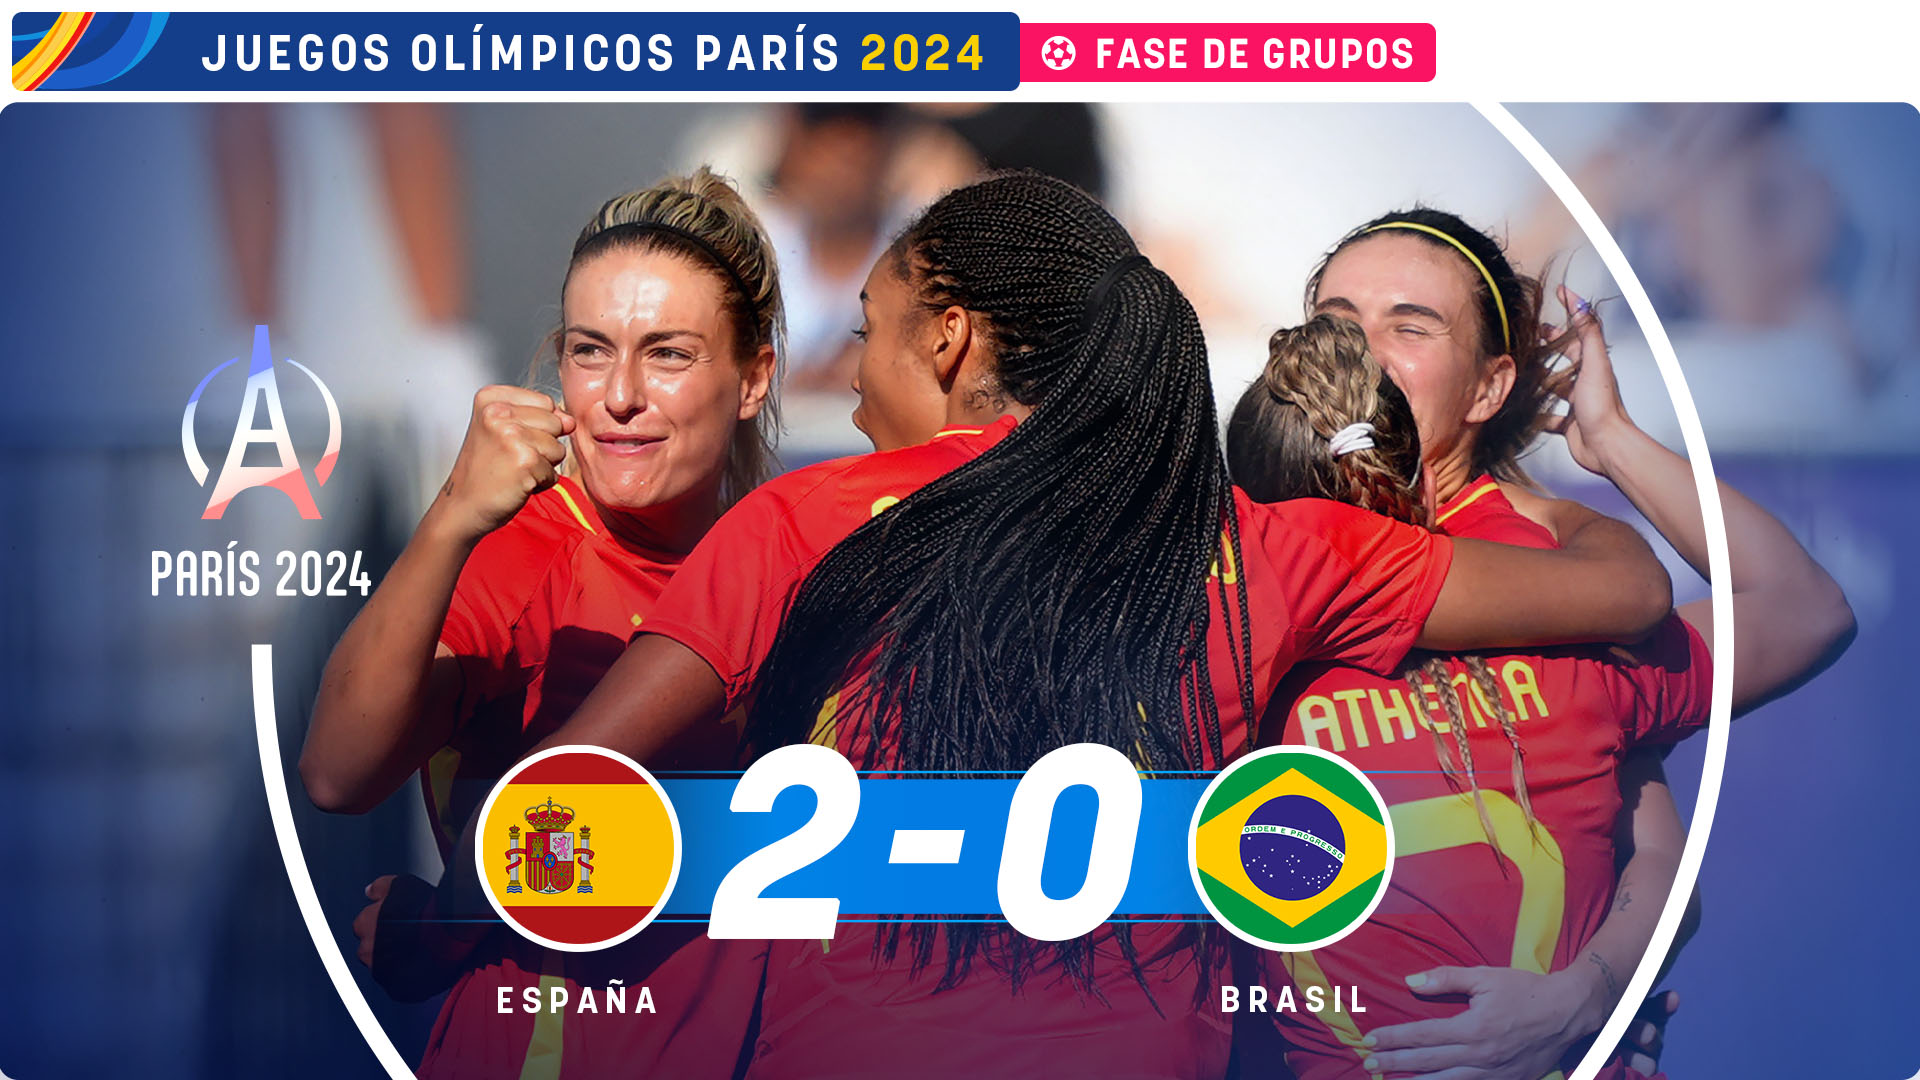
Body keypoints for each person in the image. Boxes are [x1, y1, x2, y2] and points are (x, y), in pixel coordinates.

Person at [434, 172, 1680, 1078]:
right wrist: (1578, 455)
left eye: (869, 332)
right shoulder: (1259, 544)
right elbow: (1626, 586)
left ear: (951, 337)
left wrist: (454, 920)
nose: (856, 380)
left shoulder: (799, 524)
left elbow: (559, 819)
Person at [1227, 208, 1852, 1080]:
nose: (1363, 348)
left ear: (1488, 389)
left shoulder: (1568, 578)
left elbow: (1802, 608)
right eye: (1337, 323)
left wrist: (1614, 442)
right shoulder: (1248, 553)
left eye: (1410, 325)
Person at [298, 166, 783, 1079]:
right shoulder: (525, 547)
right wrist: (450, 512)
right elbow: (336, 772)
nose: (620, 395)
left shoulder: (784, 552)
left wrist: (447, 920)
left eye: (669, 354)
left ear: (753, 378)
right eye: (591, 350)